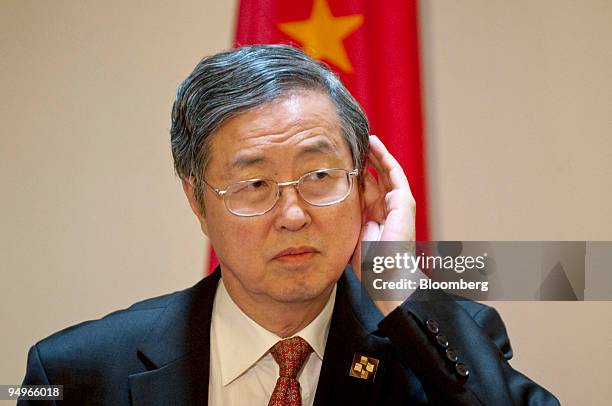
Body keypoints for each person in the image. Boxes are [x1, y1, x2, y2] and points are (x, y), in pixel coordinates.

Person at [19, 44, 559, 405]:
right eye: (254, 186)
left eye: (320, 175)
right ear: (196, 199)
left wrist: (395, 283)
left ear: (365, 183)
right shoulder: (74, 374)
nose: (295, 215)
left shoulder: (439, 348)